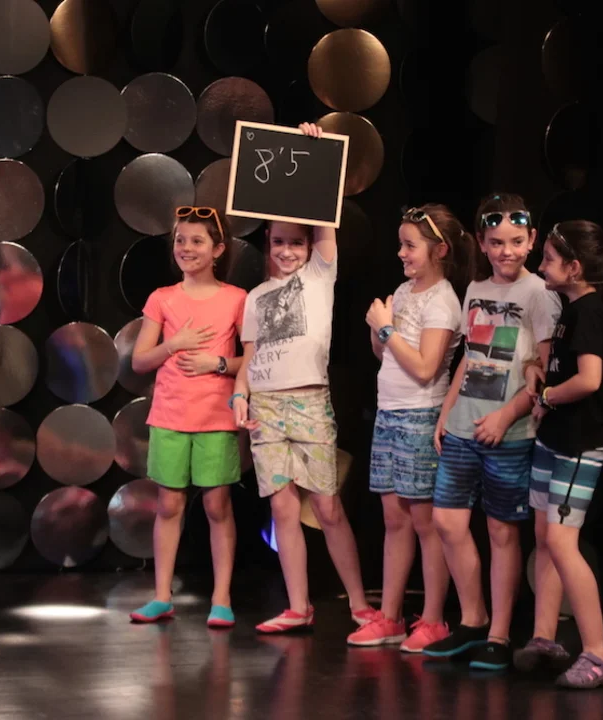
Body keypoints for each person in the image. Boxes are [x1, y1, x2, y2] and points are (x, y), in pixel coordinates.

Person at [232, 122, 373, 634]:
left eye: (296, 242)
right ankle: (298, 605)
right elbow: (249, 357)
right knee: (283, 511)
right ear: (267, 244)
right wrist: (240, 394)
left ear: (309, 246)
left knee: (328, 508)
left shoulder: (319, 276)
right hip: (266, 408)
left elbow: (324, 223)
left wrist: (311, 152)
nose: (287, 250)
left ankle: (360, 604)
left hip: (309, 403)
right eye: (278, 242)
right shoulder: (255, 298)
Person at [422, 194, 561, 669]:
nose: (507, 251)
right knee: (447, 522)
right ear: (482, 243)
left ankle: (499, 635)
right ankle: (473, 619)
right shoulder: (476, 288)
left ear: (532, 240)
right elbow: (470, 356)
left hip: (510, 432)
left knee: (502, 531)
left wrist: (506, 417)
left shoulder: (539, 293)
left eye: (517, 241)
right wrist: (447, 410)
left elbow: (544, 371)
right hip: (464, 425)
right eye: (497, 242)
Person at [514, 220, 603, 689]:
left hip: (580, 442)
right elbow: (560, 366)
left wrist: (547, 398)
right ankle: (544, 637)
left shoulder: (589, 312)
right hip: (557, 436)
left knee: (563, 542)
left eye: (548, 258)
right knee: (545, 537)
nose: (541, 265)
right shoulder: (571, 309)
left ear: (574, 267)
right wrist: (537, 375)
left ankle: (598, 655)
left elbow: (589, 379)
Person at [348, 204, 473, 650]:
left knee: (425, 524)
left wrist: (385, 330)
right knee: (394, 519)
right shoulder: (403, 292)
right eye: (400, 244)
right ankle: (390, 617)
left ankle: (434, 620)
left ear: (439, 250)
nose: (401, 253)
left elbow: (424, 367)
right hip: (389, 413)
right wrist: (378, 330)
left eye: (410, 245)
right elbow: (387, 355)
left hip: (421, 416)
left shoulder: (443, 300)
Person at [128, 206, 246, 628]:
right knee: (169, 503)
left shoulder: (236, 299)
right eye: (180, 240)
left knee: (217, 504)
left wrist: (217, 363)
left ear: (218, 249)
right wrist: (173, 344)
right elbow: (140, 360)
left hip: (215, 416)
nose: (186, 248)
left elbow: (252, 361)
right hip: (170, 415)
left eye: (197, 240)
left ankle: (221, 598)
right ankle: (162, 595)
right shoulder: (162, 298)